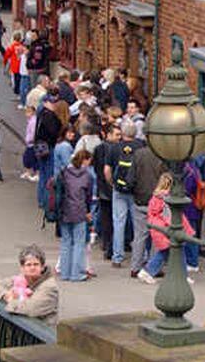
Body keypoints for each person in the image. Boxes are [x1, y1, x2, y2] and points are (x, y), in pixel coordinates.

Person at [139, 173, 197, 283]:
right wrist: (187, 230)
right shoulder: (166, 200)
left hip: (160, 231)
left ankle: (181, 275)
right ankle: (147, 271)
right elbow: (172, 217)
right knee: (168, 252)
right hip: (165, 232)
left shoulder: (157, 198)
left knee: (174, 252)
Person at [127, 137, 168, 279]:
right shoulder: (163, 156)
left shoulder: (138, 154)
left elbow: (130, 178)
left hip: (140, 199)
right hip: (157, 201)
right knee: (157, 236)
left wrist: (134, 191)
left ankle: (135, 267)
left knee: (140, 236)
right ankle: (153, 268)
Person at [0, 244, 59, 325]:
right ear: (22, 268)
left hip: (44, 334)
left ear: (42, 267)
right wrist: (5, 295)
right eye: (28, 265)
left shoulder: (50, 287)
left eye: (36, 264)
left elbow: (32, 309)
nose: (32, 268)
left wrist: (11, 301)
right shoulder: (21, 279)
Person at [106, 121, 144, 268]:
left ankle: (117, 257)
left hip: (119, 189)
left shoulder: (114, 147)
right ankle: (140, 256)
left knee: (118, 222)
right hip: (136, 190)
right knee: (138, 224)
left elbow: (107, 170)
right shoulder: (141, 147)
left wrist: (113, 184)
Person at [58, 148, 97, 282]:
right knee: (79, 243)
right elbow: (88, 197)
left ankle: (65, 272)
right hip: (80, 211)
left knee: (66, 242)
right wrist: (88, 213)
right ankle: (76, 273)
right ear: (85, 160)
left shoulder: (64, 173)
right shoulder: (88, 176)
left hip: (64, 211)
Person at [93, 123, 120, 259]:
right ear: (108, 134)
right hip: (111, 188)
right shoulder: (116, 150)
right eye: (117, 134)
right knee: (114, 220)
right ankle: (111, 245)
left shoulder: (99, 149)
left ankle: (106, 243)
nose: (119, 137)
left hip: (102, 188)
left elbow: (97, 168)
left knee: (106, 218)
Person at [34, 94, 64, 210]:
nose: (54, 105)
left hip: (40, 147)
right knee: (48, 176)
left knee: (43, 174)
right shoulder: (50, 116)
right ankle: (46, 201)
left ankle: (41, 199)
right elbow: (53, 131)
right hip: (48, 147)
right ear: (45, 103)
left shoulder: (41, 114)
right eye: (52, 103)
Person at [182, 152, 205, 262]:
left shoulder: (189, 171)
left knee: (190, 233)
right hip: (195, 205)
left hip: (189, 206)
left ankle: (192, 261)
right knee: (193, 232)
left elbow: (188, 189)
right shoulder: (196, 168)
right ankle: (191, 258)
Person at [3, 32, 25, 97]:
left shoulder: (12, 46)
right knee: (20, 80)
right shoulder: (22, 46)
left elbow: (6, 55)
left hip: (14, 66)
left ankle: (17, 93)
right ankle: (20, 92)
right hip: (21, 66)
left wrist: (5, 63)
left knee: (15, 80)